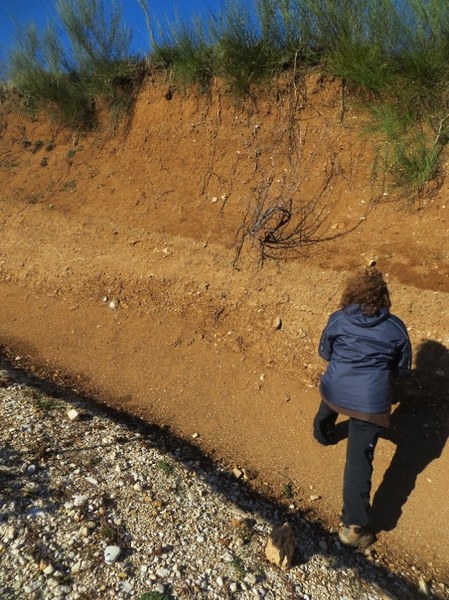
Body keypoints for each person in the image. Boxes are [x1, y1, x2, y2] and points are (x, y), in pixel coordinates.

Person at [313, 266, 411, 549]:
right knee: (359, 460)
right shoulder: (396, 328)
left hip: (335, 388)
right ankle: (354, 528)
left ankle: (322, 434)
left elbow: (324, 352)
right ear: (384, 297)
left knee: (330, 402)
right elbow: (402, 369)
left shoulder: (338, 319)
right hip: (369, 403)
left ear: (351, 292)